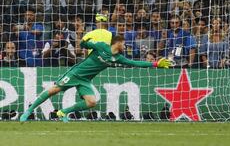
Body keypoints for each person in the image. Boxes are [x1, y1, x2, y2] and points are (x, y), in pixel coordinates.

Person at [20, 35, 171, 122]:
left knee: (91, 102)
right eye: (123, 43)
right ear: (117, 43)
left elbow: (134, 63)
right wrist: (85, 41)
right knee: (53, 91)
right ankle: (29, 111)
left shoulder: (117, 58)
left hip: (85, 80)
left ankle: (63, 112)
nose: (125, 46)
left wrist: (155, 63)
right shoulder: (101, 46)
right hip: (75, 74)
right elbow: (84, 44)